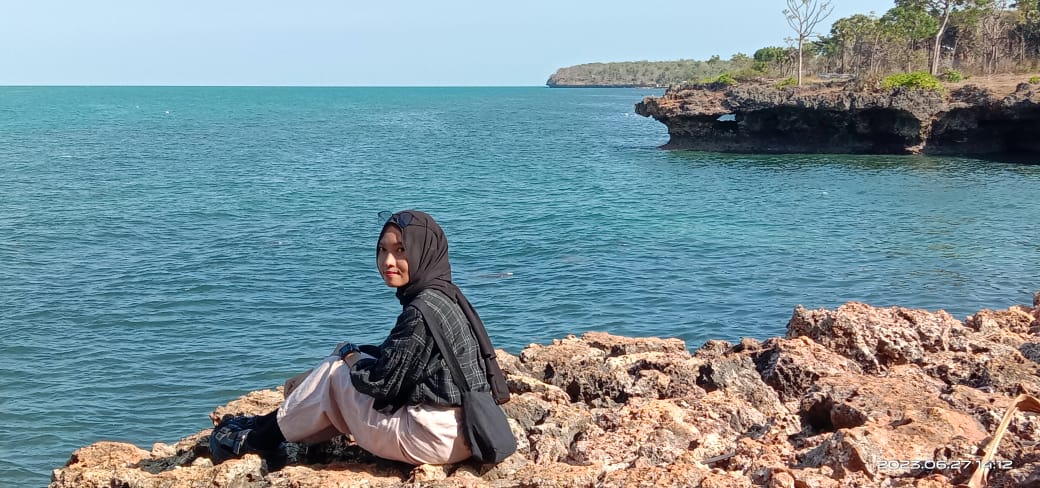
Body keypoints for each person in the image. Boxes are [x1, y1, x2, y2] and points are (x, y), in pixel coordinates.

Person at [210, 210, 500, 467]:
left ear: (423, 251)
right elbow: (401, 361)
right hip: (466, 431)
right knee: (344, 364)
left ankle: (259, 438)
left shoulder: (419, 313)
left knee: (337, 373)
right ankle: (271, 426)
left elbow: (382, 384)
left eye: (401, 250)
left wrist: (348, 356)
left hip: (433, 439)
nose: (388, 261)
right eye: (382, 250)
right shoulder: (446, 296)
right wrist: (354, 355)